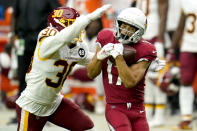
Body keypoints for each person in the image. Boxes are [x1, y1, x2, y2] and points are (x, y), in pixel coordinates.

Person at [15, 4, 111, 131]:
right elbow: (61, 38)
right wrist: (86, 19)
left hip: (54, 102)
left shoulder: (75, 46)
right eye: (73, 25)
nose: (79, 29)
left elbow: (92, 59)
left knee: (86, 127)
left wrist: (110, 54)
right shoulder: (47, 39)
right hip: (32, 104)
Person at [87, 7, 165, 131]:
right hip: (115, 108)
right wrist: (99, 57)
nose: (125, 30)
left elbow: (130, 82)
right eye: (123, 25)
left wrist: (118, 56)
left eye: (131, 28)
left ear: (139, 31)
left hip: (137, 109)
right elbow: (91, 74)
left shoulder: (146, 49)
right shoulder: (106, 36)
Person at [8, 0, 63, 124]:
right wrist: (12, 35)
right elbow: (14, 15)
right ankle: (20, 114)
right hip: (22, 40)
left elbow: (59, 13)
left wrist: (53, 35)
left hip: (41, 41)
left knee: (42, 77)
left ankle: (44, 116)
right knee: (23, 76)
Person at [136, 0, 169, 127]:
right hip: (143, 35)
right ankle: (148, 112)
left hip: (155, 35)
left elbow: (163, 12)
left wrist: (160, 38)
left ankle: (160, 114)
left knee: (157, 77)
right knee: (145, 78)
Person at [169, 0, 197, 130]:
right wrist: (171, 49)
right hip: (188, 45)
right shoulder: (187, 2)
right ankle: (186, 119)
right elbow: (180, 26)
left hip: (189, 45)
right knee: (185, 81)